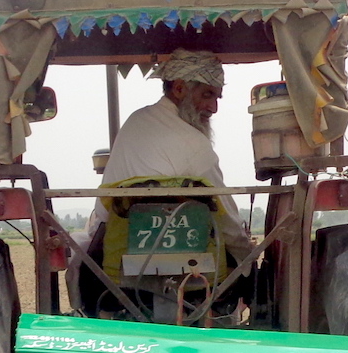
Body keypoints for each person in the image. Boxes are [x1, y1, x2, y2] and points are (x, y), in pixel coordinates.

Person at [89, 49, 250, 260]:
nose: (214, 108)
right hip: (179, 263)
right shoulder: (194, 144)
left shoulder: (135, 120)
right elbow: (227, 221)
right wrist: (247, 256)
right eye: (207, 95)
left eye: (217, 97)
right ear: (180, 88)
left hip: (111, 257)